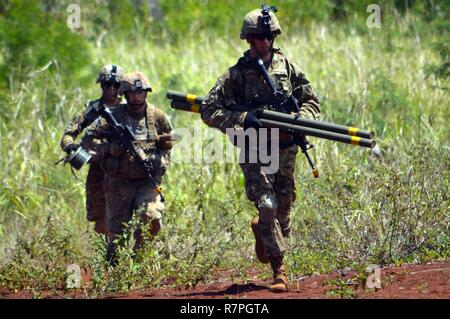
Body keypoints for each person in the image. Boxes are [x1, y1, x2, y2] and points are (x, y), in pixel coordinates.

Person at [200, 7, 320, 292]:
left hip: (286, 146)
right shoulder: (237, 74)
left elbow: (311, 100)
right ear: (248, 39)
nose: (264, 42)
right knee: (267, 204)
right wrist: (242, 119)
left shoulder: (288, 67)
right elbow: (208, 109)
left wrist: (303, 118)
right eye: (258, 37)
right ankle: (280, 272)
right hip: (254, 148)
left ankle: (264, 232)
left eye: (268, 36)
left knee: (283, 211)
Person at [86, 71, 175, 265]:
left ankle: (139, 263)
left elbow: (169, 141)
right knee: (117, 236)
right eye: (132, 93)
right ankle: (114, 273)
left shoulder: (157, 116)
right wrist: (109, 148)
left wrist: (161, 161)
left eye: (140, 92)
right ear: (124, 94)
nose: (136, 97)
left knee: (151, 217)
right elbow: (88, 138)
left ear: (146, 92)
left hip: (147, 180)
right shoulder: (112, 116)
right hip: (119, 182)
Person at [60, 64, 125, 235]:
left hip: (125, 170)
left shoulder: (131, 108)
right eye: (107, 85)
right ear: (101, 85)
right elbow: (67, 135)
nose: (111, 89)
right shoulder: (92, 110)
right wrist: (70, 146)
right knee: (99, 218)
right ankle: (107, 257)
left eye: (116, 85)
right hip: (98, 170)